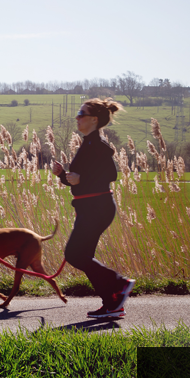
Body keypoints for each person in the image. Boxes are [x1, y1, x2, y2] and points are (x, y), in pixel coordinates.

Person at [51, 98, 135, 318]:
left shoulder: (99, 145)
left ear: (94, 119)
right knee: (83, 256)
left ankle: (120, 284)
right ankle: (112, 304)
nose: (77, 117)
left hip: (98, 207)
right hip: (90, 207)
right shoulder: (87, 143)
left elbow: (110, 175)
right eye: (78, 113)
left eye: (82, 113)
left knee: (75, 254)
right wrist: (62, 175)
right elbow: (76, 180)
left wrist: (81, 178)